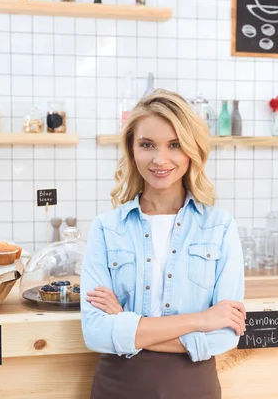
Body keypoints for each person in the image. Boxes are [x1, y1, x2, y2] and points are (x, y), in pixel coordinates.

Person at [80, 89, 246, 399]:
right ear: (132, 150)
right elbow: (96, 333)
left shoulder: (219, 227)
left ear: (191, 150)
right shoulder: (106, 228)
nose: (160, 159)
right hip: (119, 387)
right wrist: (200, 320)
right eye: (147, 145)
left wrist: (126, 325)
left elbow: (224, 337)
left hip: (193, 388)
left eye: (174, 145)